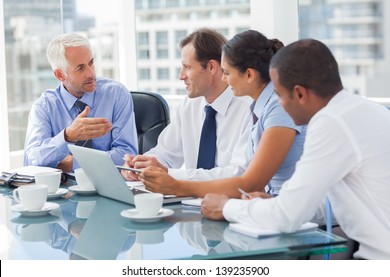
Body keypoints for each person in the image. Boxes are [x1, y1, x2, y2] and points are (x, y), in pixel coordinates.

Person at [201, 39, 390, 259]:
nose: (278, 104)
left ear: (300, 94)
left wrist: (225, 207)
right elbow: (332, 204)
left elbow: (287, 217)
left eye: (279, 95)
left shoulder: (330, 122)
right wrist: (275, 203)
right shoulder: (364, 110)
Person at [138, 30, 305, 198]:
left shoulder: (275, 107)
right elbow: (256, 186)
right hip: (270, 204)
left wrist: (176, 185)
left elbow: (249, 182)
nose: (224, 79)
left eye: (227, 73)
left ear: (249, 75)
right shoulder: (262, 106)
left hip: (292, 211)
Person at [122, 28, 250, 181]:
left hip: (230, 201)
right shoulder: (189, 105)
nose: (181, 76)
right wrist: (140, 165)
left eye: (187, 67)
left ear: (211, 67)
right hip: (190, 200)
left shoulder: (248, 109)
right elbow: (165, 154)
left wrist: (169, 174)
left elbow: (239, 174)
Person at [24, 33, 138, 172]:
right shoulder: (44, 107)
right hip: (62, 190)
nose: (91, 73)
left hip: (110, 187)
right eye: (80, 68)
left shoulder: (116, 95)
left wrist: (74, 164)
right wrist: (67, 136)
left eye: (91, 63)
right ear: (60, 75)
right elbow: (31, 160)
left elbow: (127, 156)